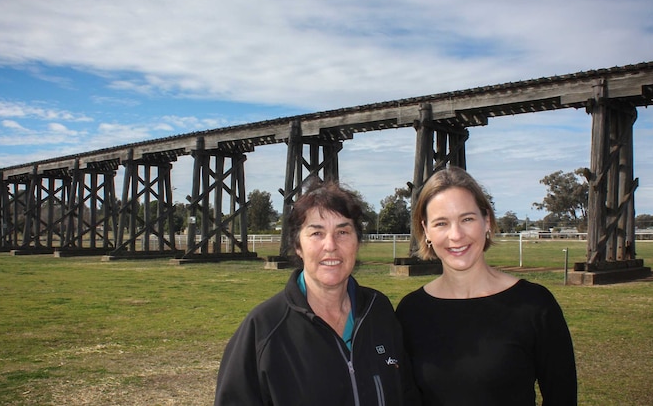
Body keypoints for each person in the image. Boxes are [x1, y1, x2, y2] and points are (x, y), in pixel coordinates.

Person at [214, 179, 419, 406]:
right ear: (298, 246)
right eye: (316, 233)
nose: (330, 245)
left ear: (357, 242)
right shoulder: (264, 328)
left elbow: (406, 393)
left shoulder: (378, 310)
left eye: (343, 231)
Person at [396, 166, 577, 406]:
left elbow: (561, 398)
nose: (456, 235)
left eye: (467, 219)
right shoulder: (410, 311)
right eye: (441, 223)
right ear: (426, 231)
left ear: (487, 221)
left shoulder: (535, 305)